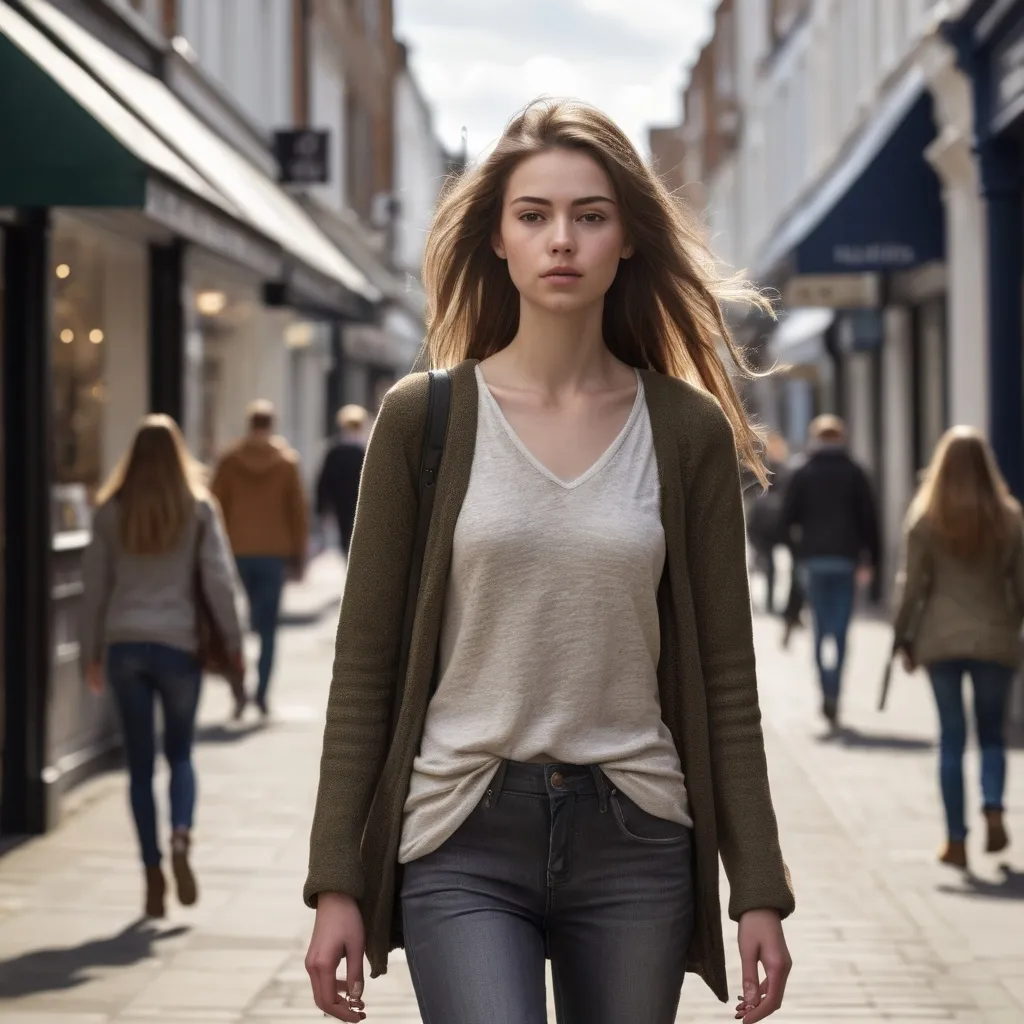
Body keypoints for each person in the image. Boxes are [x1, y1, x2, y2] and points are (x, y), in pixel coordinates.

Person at [302, 99, 794, 1024]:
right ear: (497, 237)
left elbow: (728, 681)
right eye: (534, 215)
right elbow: (363, 669)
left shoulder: (684, 430)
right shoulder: (424, 420)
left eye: (590, 215)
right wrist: (336, 879)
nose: (560, 239)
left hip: (638, 834)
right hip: (461, 830)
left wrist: (757, 886)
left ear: (628, 240)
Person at [81, 415, 243, 918]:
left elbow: (94, 589)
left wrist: (91, 653)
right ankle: (180, 837)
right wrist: (235, 646)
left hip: (125, 646)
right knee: (180, 755)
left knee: (138, 766)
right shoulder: (197, 510)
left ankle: (151, 870)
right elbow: (219, 581)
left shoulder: (111, 511)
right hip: (178, 647)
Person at [892, 427, 1024, 870]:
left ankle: (955, 840)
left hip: (940, 639)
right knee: (992, 733)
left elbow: (911, 586)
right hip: (995, 636)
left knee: (951, 737)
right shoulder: (1009, 516)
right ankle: (992, 804)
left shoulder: (926, 517)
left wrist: (903, 636)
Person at [778, 414, 879, 728]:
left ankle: (826, 689)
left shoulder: (802, 470)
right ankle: (836, 689)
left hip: (814, 560)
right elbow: (870, 521)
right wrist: (871, 560)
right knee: (841, 630)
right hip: (845, 560)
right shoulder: (855, 471)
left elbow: (785, 521)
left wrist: (798, 554)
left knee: (821, 630)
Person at [212, 400, 309, 717]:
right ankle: (262, 693)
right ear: (272, 425)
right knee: (267, 629)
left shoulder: (229, 461)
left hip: (234, 552)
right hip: (273, 554)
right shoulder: (285, 462)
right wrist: (299, 557)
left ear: (248, 424)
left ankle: (238, 689)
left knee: (234, 626)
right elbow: (297, 512)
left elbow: (215, 508)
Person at [315, 404, 369, 557]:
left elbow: (324, 481)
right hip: (356, 503)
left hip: (343, 504)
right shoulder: (365, 450)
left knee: (347, 541)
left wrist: (321, 507)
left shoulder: (336, 450)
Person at [746, 433, 790, 614]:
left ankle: (768, 602)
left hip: (769, 521)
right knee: (764, 563)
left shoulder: (780, 469)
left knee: (767, 563)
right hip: (761, 522)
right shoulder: (760, 468)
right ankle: (764, 602)